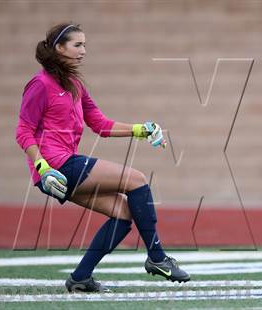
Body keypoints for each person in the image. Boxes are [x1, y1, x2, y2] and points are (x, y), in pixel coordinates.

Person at [16, 22, 190, 293]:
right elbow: (23, 131)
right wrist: (42, 165)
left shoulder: (74, 84)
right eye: (78, 45)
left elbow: (99, 124)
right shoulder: (40, 84)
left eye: (84, 44)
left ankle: (81, 277)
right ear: (59, 48)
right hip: (55, 166)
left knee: (122, 213)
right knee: (137, 179)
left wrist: (140, 130)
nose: (84, 50)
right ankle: (157, 258)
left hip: (61, 168)